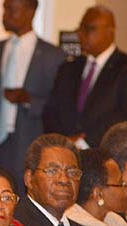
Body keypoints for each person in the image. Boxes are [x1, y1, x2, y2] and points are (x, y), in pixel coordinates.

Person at [0, 0, 64, 186]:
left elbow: (57, 109)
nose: (5, 15)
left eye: (12, 10)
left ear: (31, 11)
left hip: (28, 143)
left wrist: (28, 99)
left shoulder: (53, 56)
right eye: (4, 9)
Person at [43, 6, 127, 148]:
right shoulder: (68, 68)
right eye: (80, 28)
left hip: (104, 154)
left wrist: (83, 142)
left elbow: (122, 114)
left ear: (110, 31)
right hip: (66, 152)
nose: (81, 34)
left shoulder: (123, 67)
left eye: (89, 29)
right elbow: (50, 111)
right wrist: (64, 141)